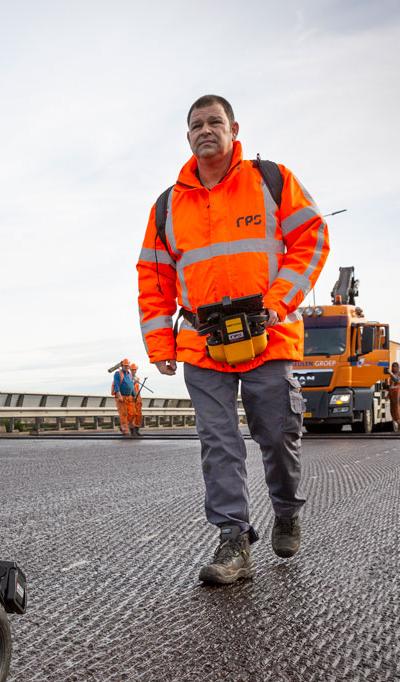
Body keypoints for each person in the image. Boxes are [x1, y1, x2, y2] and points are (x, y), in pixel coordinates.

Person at [136, 94, 330, 585]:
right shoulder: (168, 205)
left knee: (278, 435)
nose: (206, 130)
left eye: (214, 122)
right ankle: (233, 540)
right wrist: (161, 347)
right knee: (218, 445)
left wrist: (278, 302)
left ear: (233, 128)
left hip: (268, 335)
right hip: (203, 344)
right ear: (188, 136)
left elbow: (312, 237)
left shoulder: (271, 180)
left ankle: (286, 512)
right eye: (197, 124)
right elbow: (153, 278)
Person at [111, 359, 135, 436]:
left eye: (128, 366)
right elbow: (116, 385)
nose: (127, 367)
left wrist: (134, 395)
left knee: (132, 413)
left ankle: (127, 427)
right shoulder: (118, 374)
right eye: (125, 366)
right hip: (122, 397)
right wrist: (119, 396)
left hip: (129, 397)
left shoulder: (129, 374)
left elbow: (131, 386)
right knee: (124, 413)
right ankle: (124, 430)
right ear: (122, 366)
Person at [387, 362, 400, 433]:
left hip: (398, 394)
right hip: (393, 395)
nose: (393, 368)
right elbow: (391, 386)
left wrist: (390, 373)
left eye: (395, 366)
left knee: (399, 410)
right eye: (392, 366)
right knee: (393, 412)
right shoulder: (392, 376)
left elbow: (398, 380)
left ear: (398, 367)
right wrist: (388, 395)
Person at [129, 363, 145, 436]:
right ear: (130, 370)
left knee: (139, 415)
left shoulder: (137, 378)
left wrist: (140, 399)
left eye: (135, 370)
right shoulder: (128, 377)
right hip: (131, 398)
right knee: (132, 415)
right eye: (132, 370)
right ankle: (132, 430)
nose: (134, 371)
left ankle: (137, 429)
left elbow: (138, 389)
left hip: (137, 398)